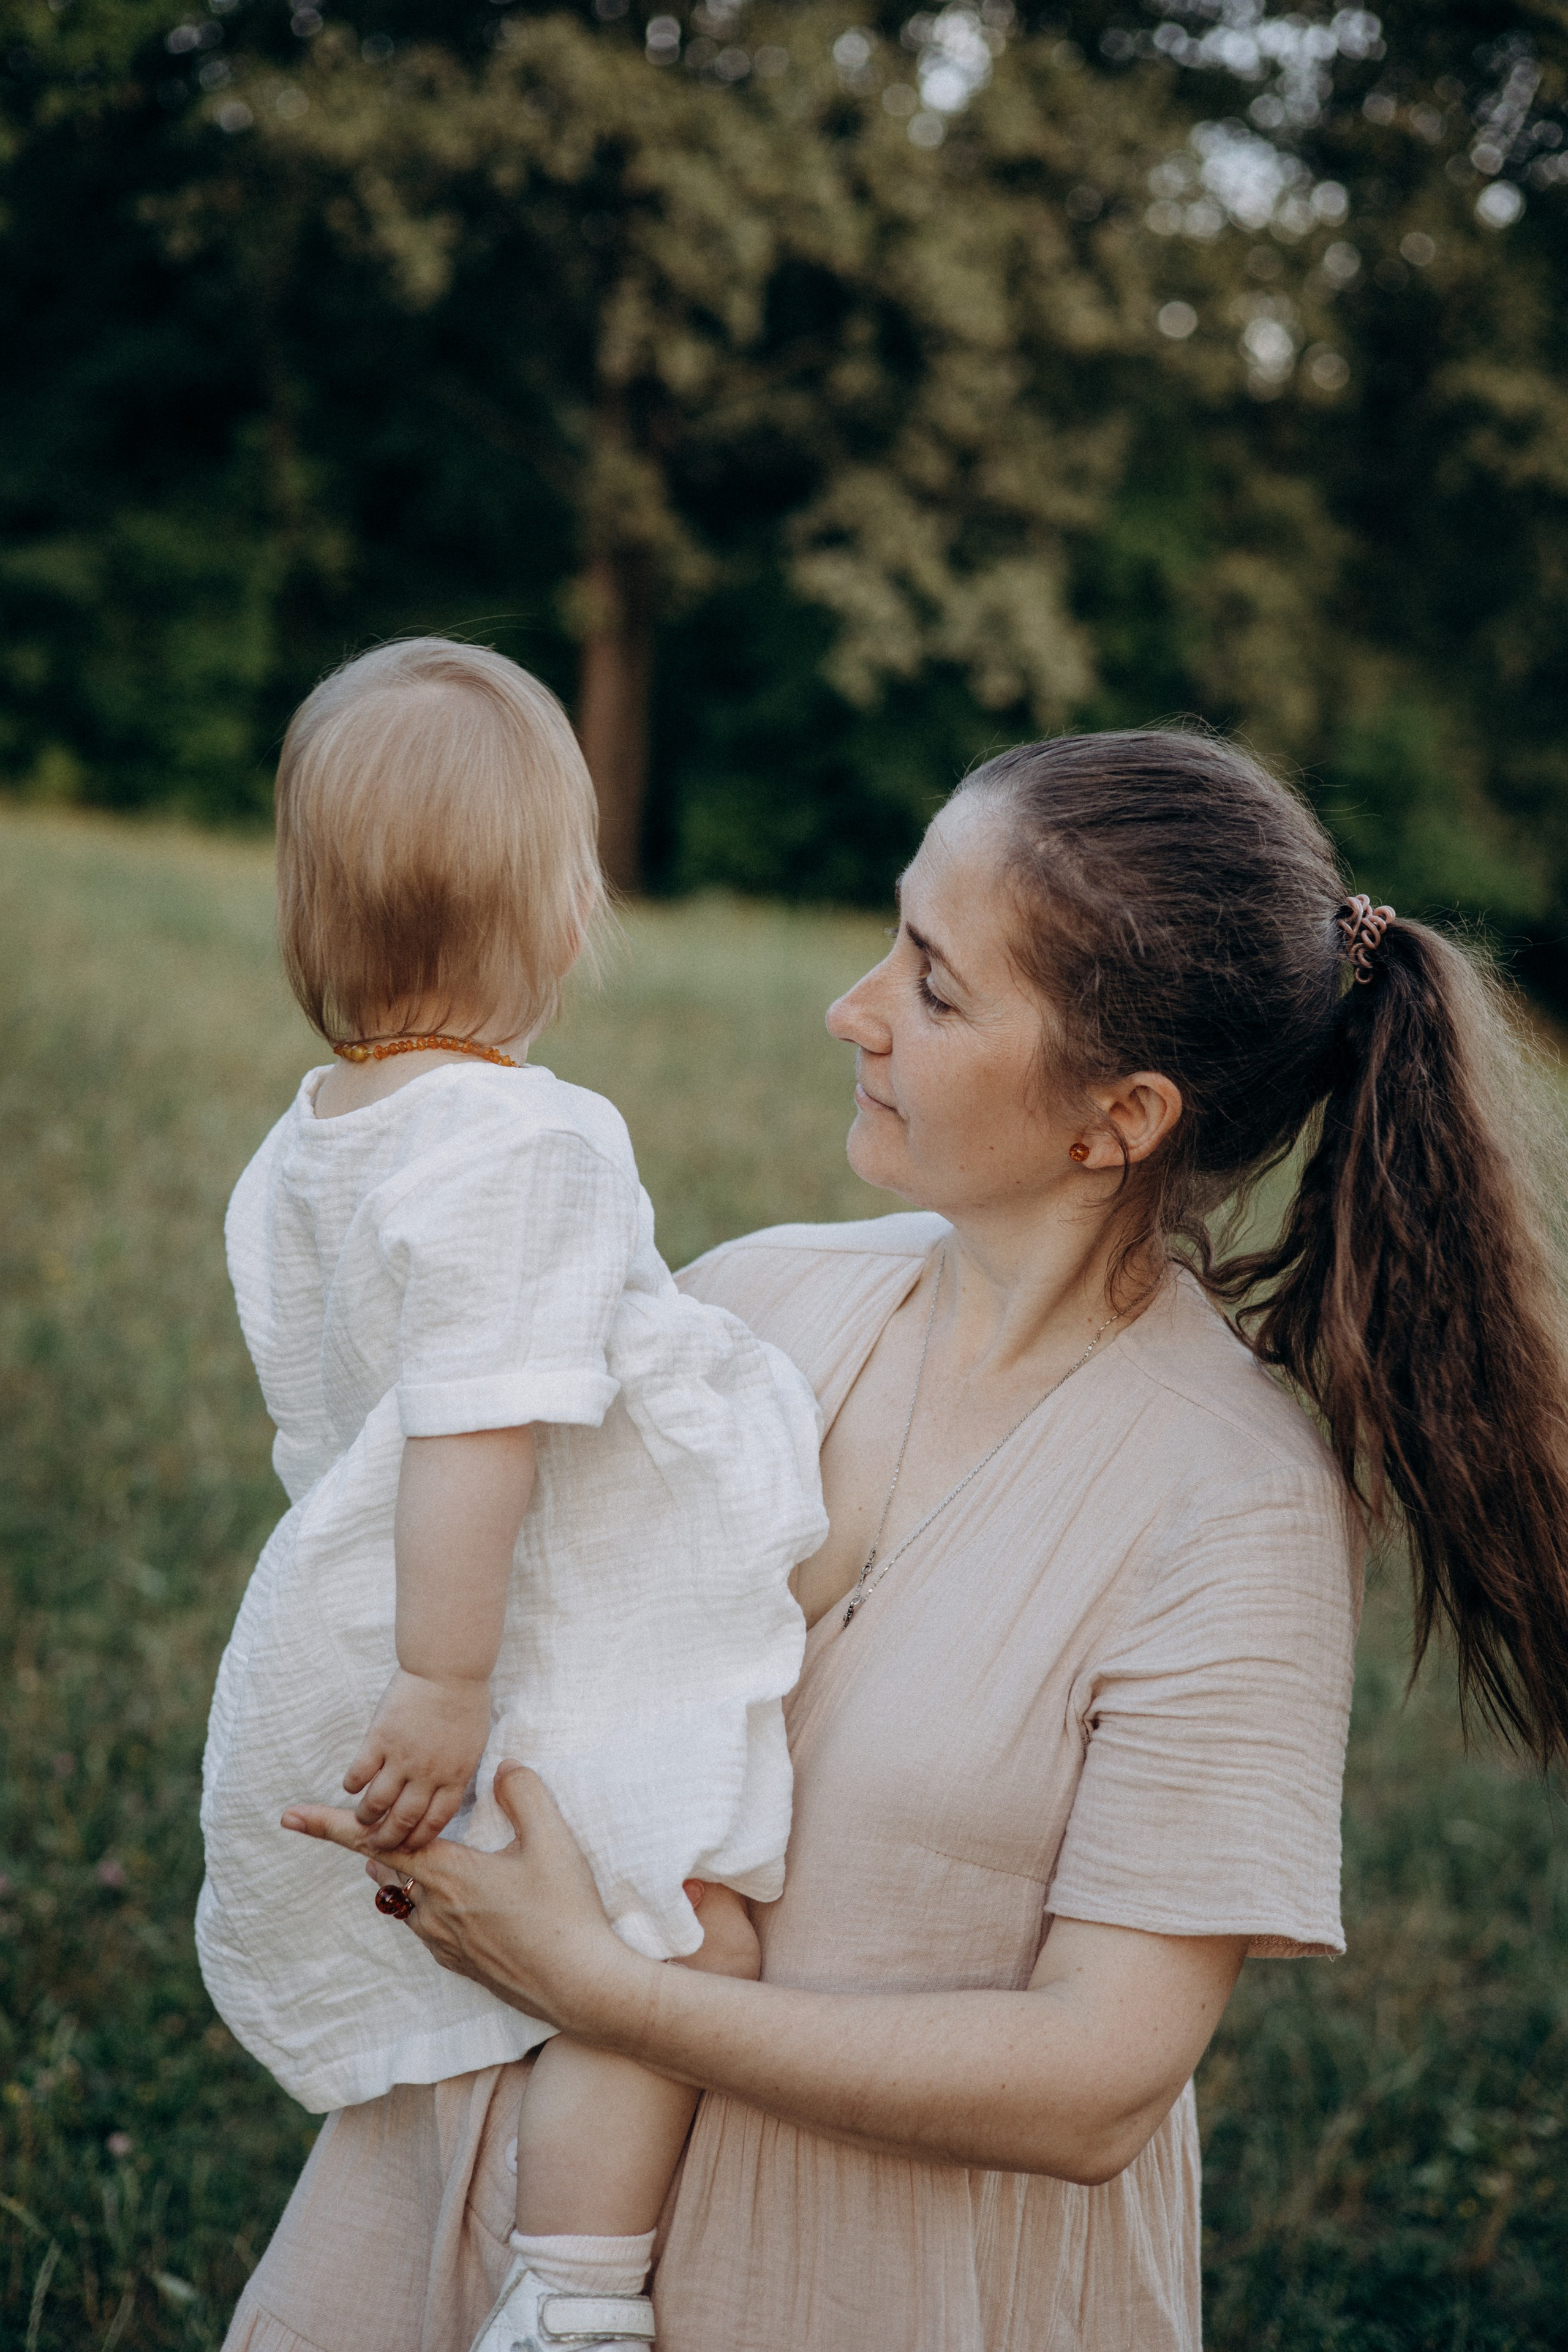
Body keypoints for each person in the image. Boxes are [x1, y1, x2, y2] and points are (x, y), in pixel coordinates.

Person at [254, 728, 1568, 2352]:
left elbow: (1098, 2084)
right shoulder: (747, 1304)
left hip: (889, 2288)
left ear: (1118, 1115)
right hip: (479, 2217)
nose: (854, 1008)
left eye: (936, 988)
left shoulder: (1240, 1504)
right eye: (895, 936)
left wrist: (604, 1994)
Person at [203, 637, 828, 2352]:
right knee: (680, 1938)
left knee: (607, 1930)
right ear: (563, 924)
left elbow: (326, 1418)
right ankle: (577, 2288)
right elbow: (476, 1430)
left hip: (382, 1588)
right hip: (520, 1618)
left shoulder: (307, 1142)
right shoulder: (531, 1140)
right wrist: (445, 1681)